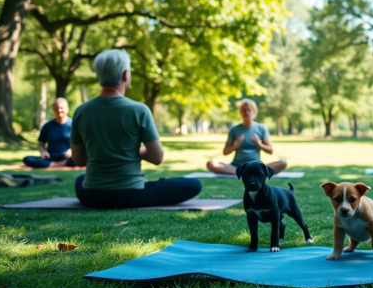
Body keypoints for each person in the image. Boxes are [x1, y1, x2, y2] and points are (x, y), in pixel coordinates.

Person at [71, 50, 201, 208]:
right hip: (131, 194)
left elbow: (79, 160)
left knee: (80, 179)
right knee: (194, 184)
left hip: (91, 195)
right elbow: (156, 157)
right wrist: (131, 150)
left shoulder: (81, 111)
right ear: (125, 75)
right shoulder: (139, 110)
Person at [206, 98, 287, 175]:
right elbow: (225, 152)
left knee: (283, 162)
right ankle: (245, 173)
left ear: (254, 112)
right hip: (236, 166)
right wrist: (236, 145)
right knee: (211, 163)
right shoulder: (234, 129)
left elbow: (270, 151)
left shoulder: (261, 128)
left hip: (256, 166)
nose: (246, 112)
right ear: (240, 112)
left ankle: (248, 173)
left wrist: (259, 145)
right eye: (244, 110)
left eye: (249, 110)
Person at [23, 98, 75, 168]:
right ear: (53, 110)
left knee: (83, 158)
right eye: (57, 108)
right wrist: (43, 152)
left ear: (67, 109)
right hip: (51, 157)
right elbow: (40, 145)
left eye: (61, 108)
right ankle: (56, 164)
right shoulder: (47, 126)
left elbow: (82, 143)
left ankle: (53, 164)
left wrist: (72, 151)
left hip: (68, 157)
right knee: (28, 159)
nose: (59, 110)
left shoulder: (74, 125)